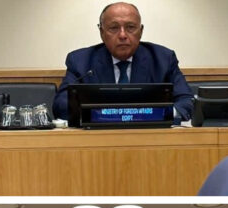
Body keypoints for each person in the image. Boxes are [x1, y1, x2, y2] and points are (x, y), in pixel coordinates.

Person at [52, 2, 193, 121]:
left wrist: (157, 114)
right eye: (114, 28)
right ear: (101, 32)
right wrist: (103, 116)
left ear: (141, 31)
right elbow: (61, 105)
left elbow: (187, 102)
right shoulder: (80, 61)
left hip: (150, 137)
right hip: (99, 138)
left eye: (130, 27)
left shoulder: (163, 59)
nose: (122, 35)